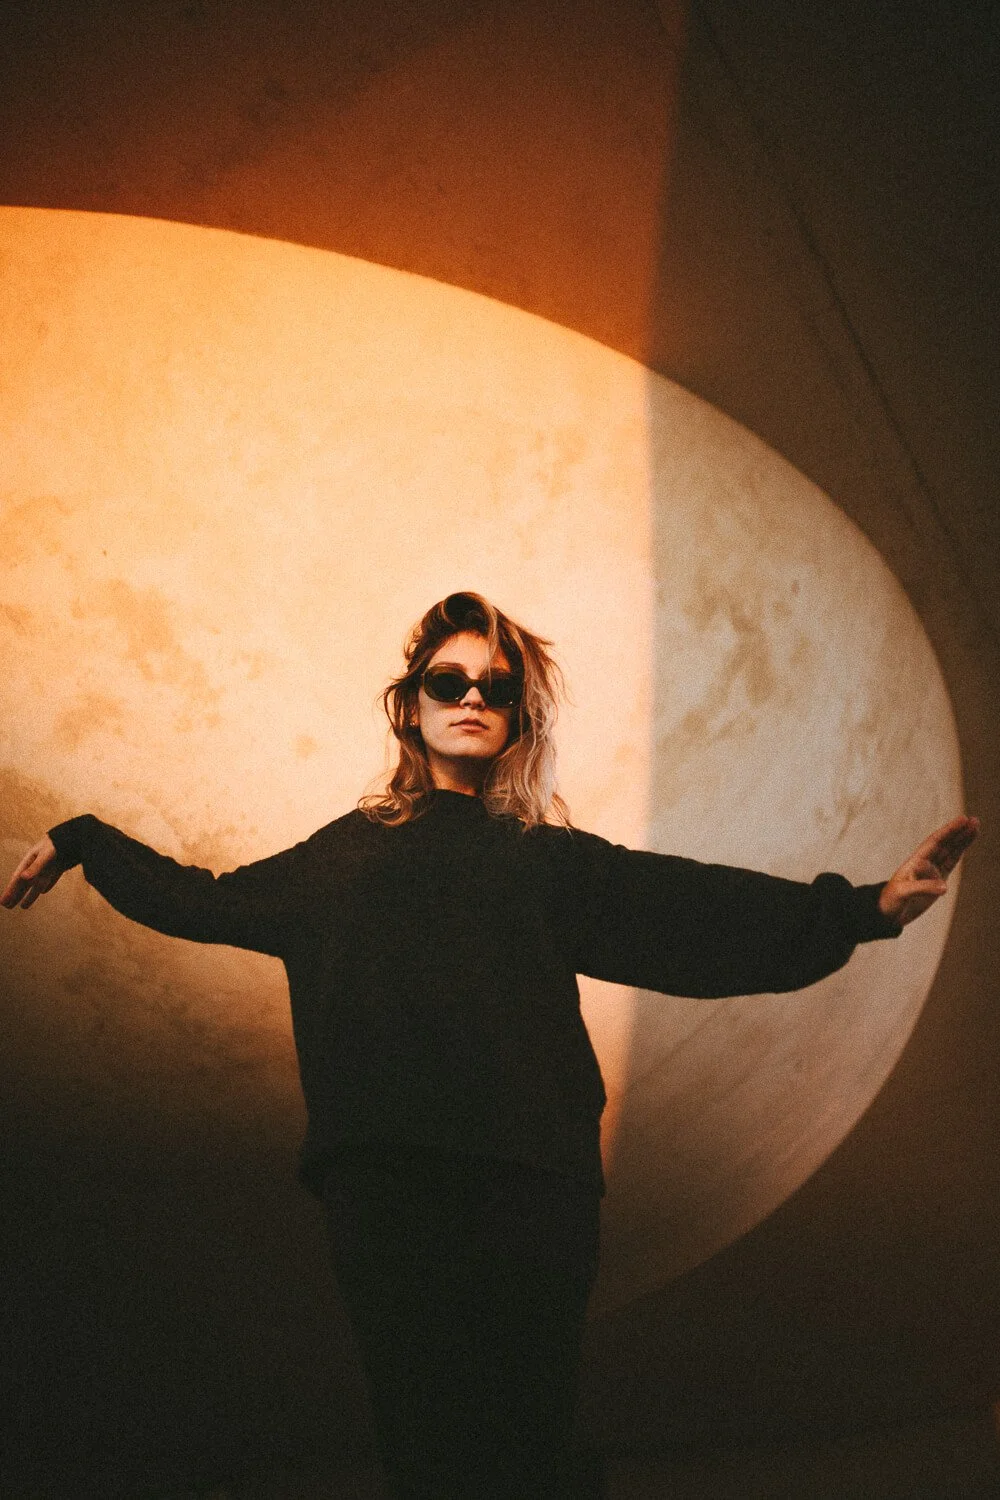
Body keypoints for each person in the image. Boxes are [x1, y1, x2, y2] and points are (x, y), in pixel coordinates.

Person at [2, 590, 979, 1499]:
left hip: (530, 1184)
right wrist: (87, 837)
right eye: (448, 681)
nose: (472, 697)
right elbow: (204, 897)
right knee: (425, 1439)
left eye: (496, 688)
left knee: (523, 1436)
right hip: (387, 1185)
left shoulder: (539, 860)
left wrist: (866, 909)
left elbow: (686, 913)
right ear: (410, 708)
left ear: (517, 717)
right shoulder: (343, 858)